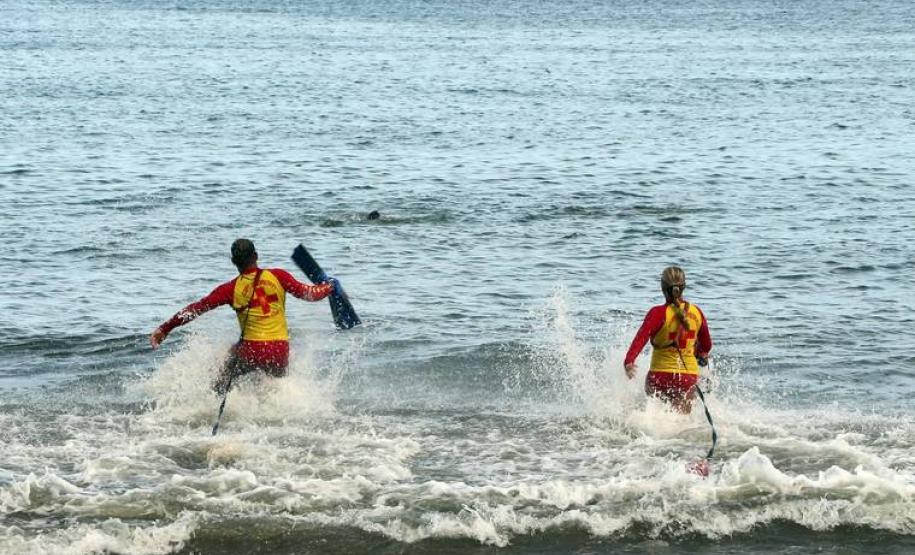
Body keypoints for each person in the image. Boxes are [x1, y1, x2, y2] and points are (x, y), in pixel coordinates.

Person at [149, 239, 336, 393]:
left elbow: (194, 309)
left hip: (251, 350)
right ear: (256, 256)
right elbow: (310, 294)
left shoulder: (230, 289)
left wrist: (165, 329)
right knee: (279, 386)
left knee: (222, 378)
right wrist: (330, 286)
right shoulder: (279, 276)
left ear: (233, 261)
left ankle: (218, 401)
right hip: (279, 349)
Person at [623, 266, 712, 413]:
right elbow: (707, 345)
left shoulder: (657, 313)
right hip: (687, 377)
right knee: (682, 421)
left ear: (662, 288)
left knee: (656, 418)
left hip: (659, 377)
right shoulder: (697, 312)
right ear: (683, 287)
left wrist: (629, 361)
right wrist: (700, 353)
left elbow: (640, 340)